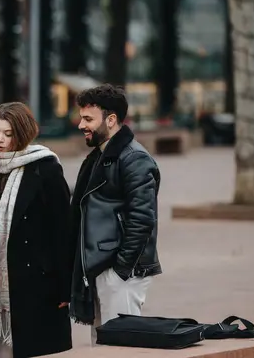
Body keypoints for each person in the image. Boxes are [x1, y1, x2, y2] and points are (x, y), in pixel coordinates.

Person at [0, 102, 73, 358]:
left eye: (8, 134)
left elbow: (62, 230)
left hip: (37, 282)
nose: (0, 140)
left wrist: (65, 286)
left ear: (22, 134)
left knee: (33, 350)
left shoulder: (45, 169)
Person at [67, 84, 162, 344]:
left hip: (121, 273)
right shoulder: (99, 157)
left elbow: (143, 219)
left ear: (110, 120)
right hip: (101, 268)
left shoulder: (134, 159)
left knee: (123, 347)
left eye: (88, 119)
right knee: (104, 347)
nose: (80, 125)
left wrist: (121, 269)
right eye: (81, 117)